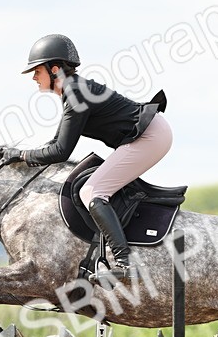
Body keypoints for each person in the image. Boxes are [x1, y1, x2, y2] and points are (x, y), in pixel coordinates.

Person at [11, 34, 172, 281]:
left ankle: (125, 264)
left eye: (37, 71)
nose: (33, 77)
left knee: (92, 192)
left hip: (150, 136)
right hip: (151, 133)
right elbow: (55, 144)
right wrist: (25, 156)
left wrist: (21, 155)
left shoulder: (76, 93)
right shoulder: (74, 91)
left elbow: (60, 152)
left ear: (54, 69)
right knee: (94, 188)